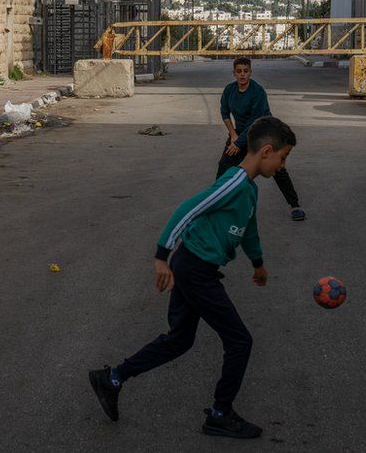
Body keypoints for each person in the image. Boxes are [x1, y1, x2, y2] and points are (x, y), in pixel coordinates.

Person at [88, 116, 296, 439]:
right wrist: (161, 255)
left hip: (195, 266)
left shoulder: (249, 191)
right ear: (266, 151)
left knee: (180, 339)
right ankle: (220, 413)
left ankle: (113, 377)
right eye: (282, 158)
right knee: (240, 341)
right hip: (195, 269)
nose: (282, 166)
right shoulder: (234, 182)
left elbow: (249, 229)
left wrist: (258, 263)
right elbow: (189, 208)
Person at [218, 57, 306, 221]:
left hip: (263, 131)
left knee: (277, 170)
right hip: (240, 132)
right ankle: (217, 202)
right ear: (234, 73)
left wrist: (239, 143)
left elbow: (254, 122)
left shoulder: (257, 92)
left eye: (246, 71)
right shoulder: (229, 90)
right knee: (224, 165)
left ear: (250, 72)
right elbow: (224, 113)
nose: (242, 75)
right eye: (239, 71)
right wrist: (233, 135)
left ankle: (295, 205)